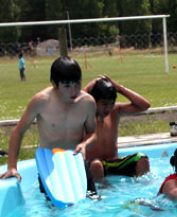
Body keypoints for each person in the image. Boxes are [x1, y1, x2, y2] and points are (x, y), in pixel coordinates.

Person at [0, 56, 98, 196]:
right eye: (67, 86)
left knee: (93, 203)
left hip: (76, 164)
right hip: (49, 166)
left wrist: (84, 144)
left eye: (77, 84)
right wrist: (12, 167)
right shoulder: (41, 101)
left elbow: (93, 133)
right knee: (53, 211)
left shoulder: (87, 103)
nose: (73, 91)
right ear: (54, 83)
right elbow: (18, 132)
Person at [83, 75, 151, 182]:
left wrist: (119, 88)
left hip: (114, 162)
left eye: (111, 104)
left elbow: (144, 105)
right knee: (96, 165)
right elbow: (71, 106)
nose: (108, 108)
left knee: (142, 159)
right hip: (94, 165)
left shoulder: (115, 111)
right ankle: (102, 193)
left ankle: (143, 189)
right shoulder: (85, 113)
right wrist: (87, 89)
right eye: (104, 104)